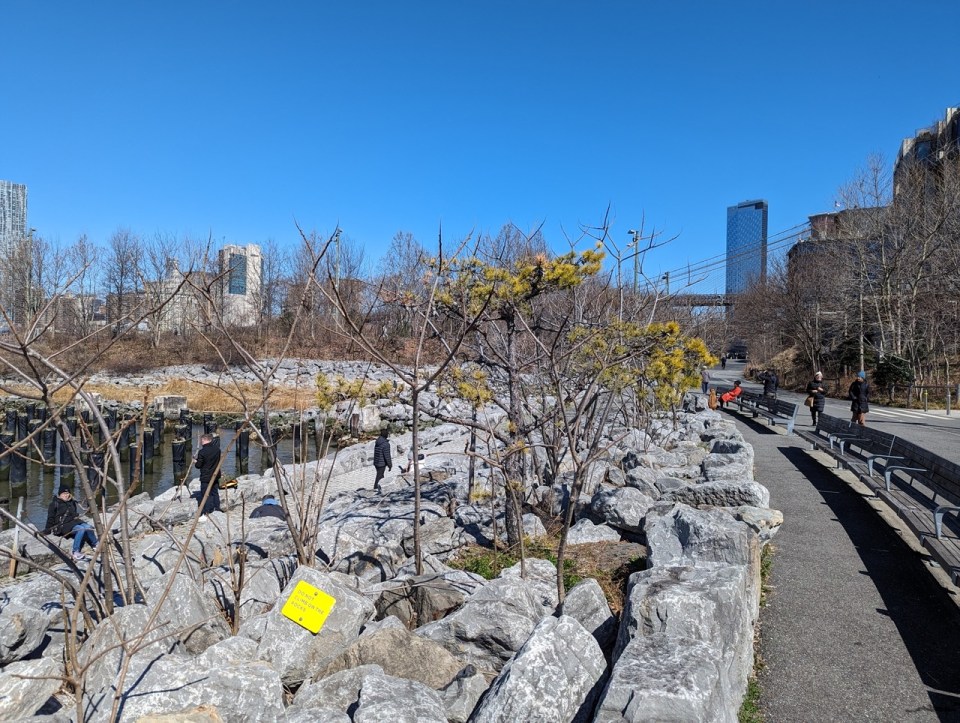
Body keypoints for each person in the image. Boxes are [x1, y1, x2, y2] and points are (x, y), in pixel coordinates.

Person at [44, 486, 97, 561]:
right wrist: (47, 529)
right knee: (80, 529)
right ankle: (75, 552)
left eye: (67, 493)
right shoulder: (54, 504)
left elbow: (74, 513)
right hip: (63, 525)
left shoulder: (72, 502)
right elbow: (50, 517)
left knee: (88, 527)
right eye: (64, 493)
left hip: (73, 522)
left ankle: (95, 544)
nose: (66, 495)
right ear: (60, 494)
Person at [193, 433, 222, 517]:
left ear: (206, 440)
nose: (201, 442)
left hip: (206, 476)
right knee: (215, 492)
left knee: (205, 493)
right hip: (215, 475)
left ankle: (207, 511)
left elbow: (199, 465)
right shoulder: (217, 449)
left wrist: (195, 461)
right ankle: (217, 507)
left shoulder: (202, 452)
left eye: (202, 440)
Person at [372, 425, 392, 493]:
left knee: (381, 475)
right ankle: (375, 489)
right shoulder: (386, 444)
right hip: (381, 464)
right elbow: (387, 456)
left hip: (376, 462)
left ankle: (382, 487)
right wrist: (390, 465)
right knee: (379, 477)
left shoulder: (378, 441)